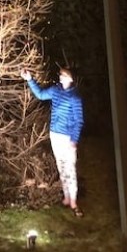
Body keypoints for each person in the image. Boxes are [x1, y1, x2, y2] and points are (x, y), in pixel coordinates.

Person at [21, 67, 85, 217]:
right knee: (61, 166)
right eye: (61, 75)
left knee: (70, 169)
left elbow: (79, 121)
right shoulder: (56, 90)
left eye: (64, 76)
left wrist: (74, 140)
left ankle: (74, 201)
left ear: (71, 79)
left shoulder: (74, 98)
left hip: (67, 138)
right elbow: (41, 95)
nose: (61, 77)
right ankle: (67, 197)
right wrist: (30, 79)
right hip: (55, 135)